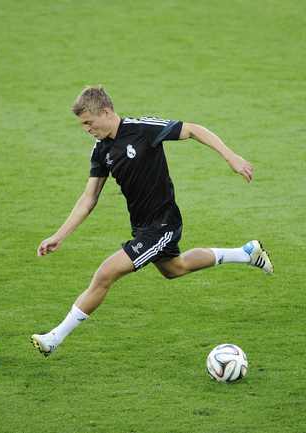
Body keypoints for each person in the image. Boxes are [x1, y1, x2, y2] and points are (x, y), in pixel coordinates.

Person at [31, 86, 273, 357]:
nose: (86, 129)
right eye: (83, 125)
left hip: (164, 224)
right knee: (175, 268)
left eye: (89, 122)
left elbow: (193, 130)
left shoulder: (142, 129)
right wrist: (59, 235)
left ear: (106, 112)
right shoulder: (101, 150)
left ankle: (54, 338)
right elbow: (89, 198)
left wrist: (231, 157)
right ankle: (247, 253)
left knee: (105, 273)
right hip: (142, 226)